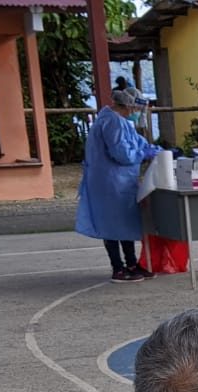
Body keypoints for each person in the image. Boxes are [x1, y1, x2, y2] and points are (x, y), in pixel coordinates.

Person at [76, 88, 159, 283]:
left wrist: (154, 149)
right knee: (111, 225)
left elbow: (137, 143)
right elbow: (122, 154)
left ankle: (131, 264)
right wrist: (143, 154)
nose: (137, 112)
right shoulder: (112, 122)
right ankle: (118, 267)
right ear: (129, 106)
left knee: (125, 223)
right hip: (110, 182)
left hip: (119, 182)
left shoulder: (119, 121)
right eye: (137, 108)